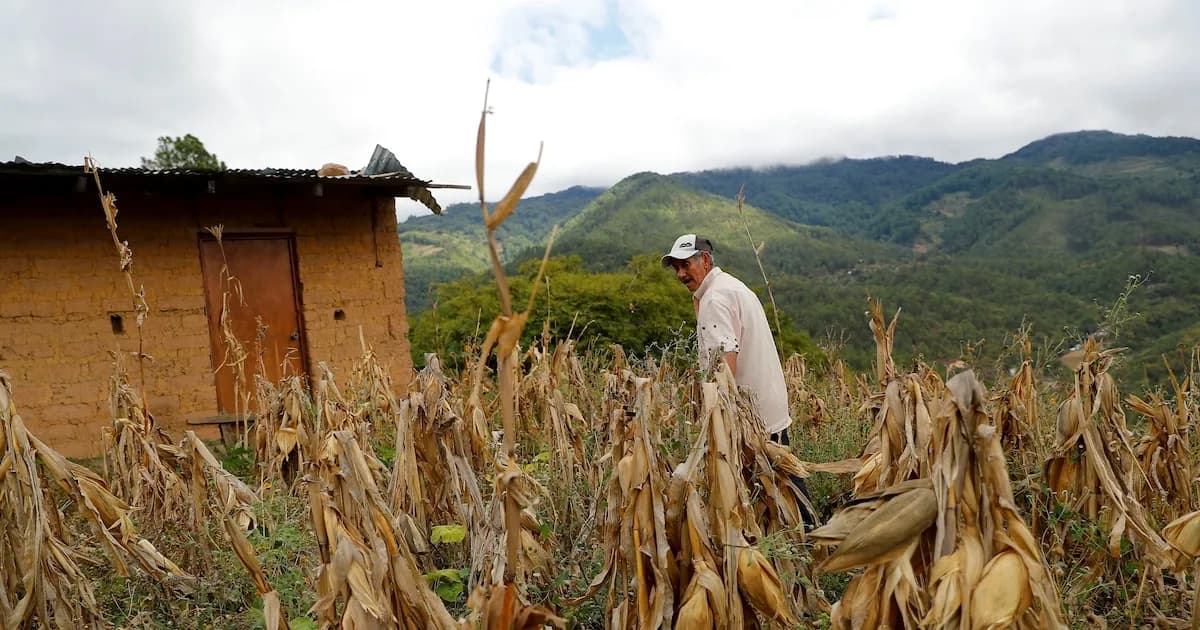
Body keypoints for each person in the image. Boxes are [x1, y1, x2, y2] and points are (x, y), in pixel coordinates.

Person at [661, 233, 815, 524]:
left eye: (686, 265)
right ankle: (808, 546)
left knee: (771, 491)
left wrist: (715, 416)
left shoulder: (715, 299)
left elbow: (724, 363)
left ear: (705, 260)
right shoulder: (732, 286)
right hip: (768, 406)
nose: (680, 274)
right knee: (786, 487)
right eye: (676, 267)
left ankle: (807, 549)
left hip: (750, 415)